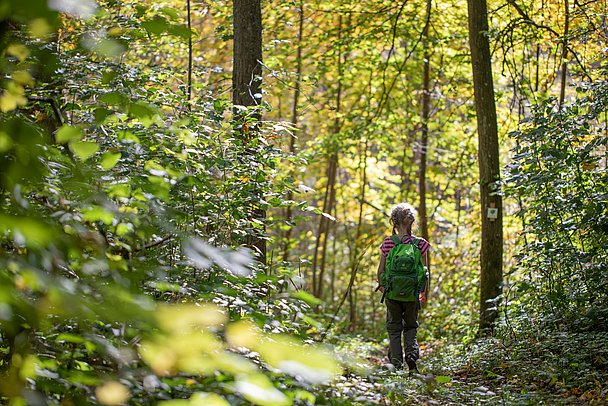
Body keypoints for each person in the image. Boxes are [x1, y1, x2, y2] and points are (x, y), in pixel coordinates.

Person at [376, 203, 430, 372]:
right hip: (412, 294)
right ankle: (412, 357)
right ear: (412, 221)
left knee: (393, 328)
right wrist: (423, 291)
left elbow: (380, 270)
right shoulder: (420, 244)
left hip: (392, 294)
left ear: (394, 222)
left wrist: (384, 288)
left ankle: (396, 364)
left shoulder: (387, 244)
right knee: (411, 326)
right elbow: (425, 271)